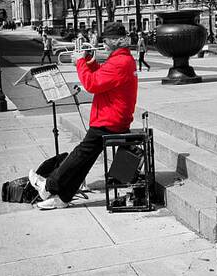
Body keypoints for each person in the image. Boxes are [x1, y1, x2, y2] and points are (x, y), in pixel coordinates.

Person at [28, 22, 138, 209]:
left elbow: (92, 84)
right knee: (85, 158)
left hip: (110, 120)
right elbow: (104, 78)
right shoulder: (120, 59)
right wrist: (91, 63)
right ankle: (63, 198)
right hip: (113, 116)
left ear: (115, 41)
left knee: (80, 154)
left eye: (105, 40)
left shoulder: (120, 62)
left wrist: (80, 62)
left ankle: (49, 185)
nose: (102, 44)